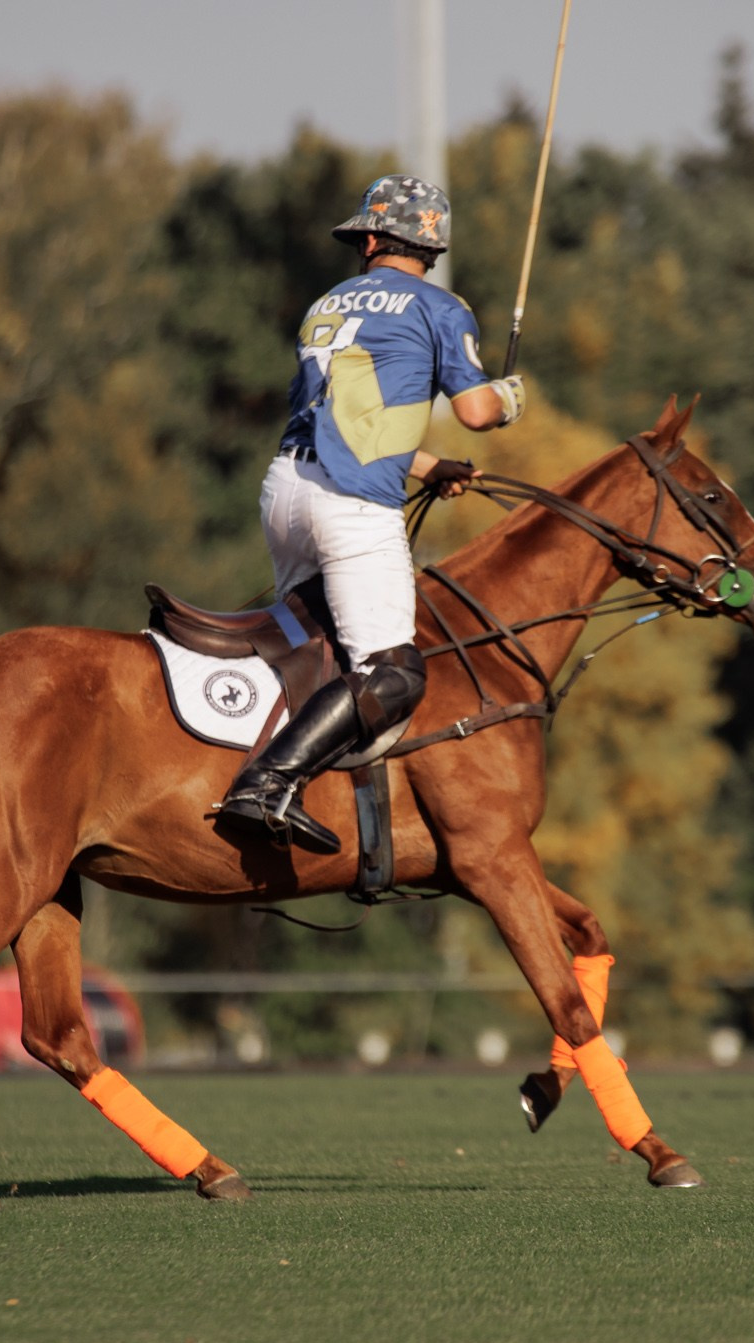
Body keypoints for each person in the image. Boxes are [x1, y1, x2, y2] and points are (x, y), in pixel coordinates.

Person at [216, 175, 525, 854]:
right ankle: (265, 785)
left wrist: (426, 465)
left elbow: (342, 417)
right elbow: (475, 414)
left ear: (374, 237)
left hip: (285, 490)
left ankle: (257, 764)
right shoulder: (440, 307)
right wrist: (507, 397)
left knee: (315, 651)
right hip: (351, 506)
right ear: (431, 246)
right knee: (393, 671)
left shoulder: (326, 302)